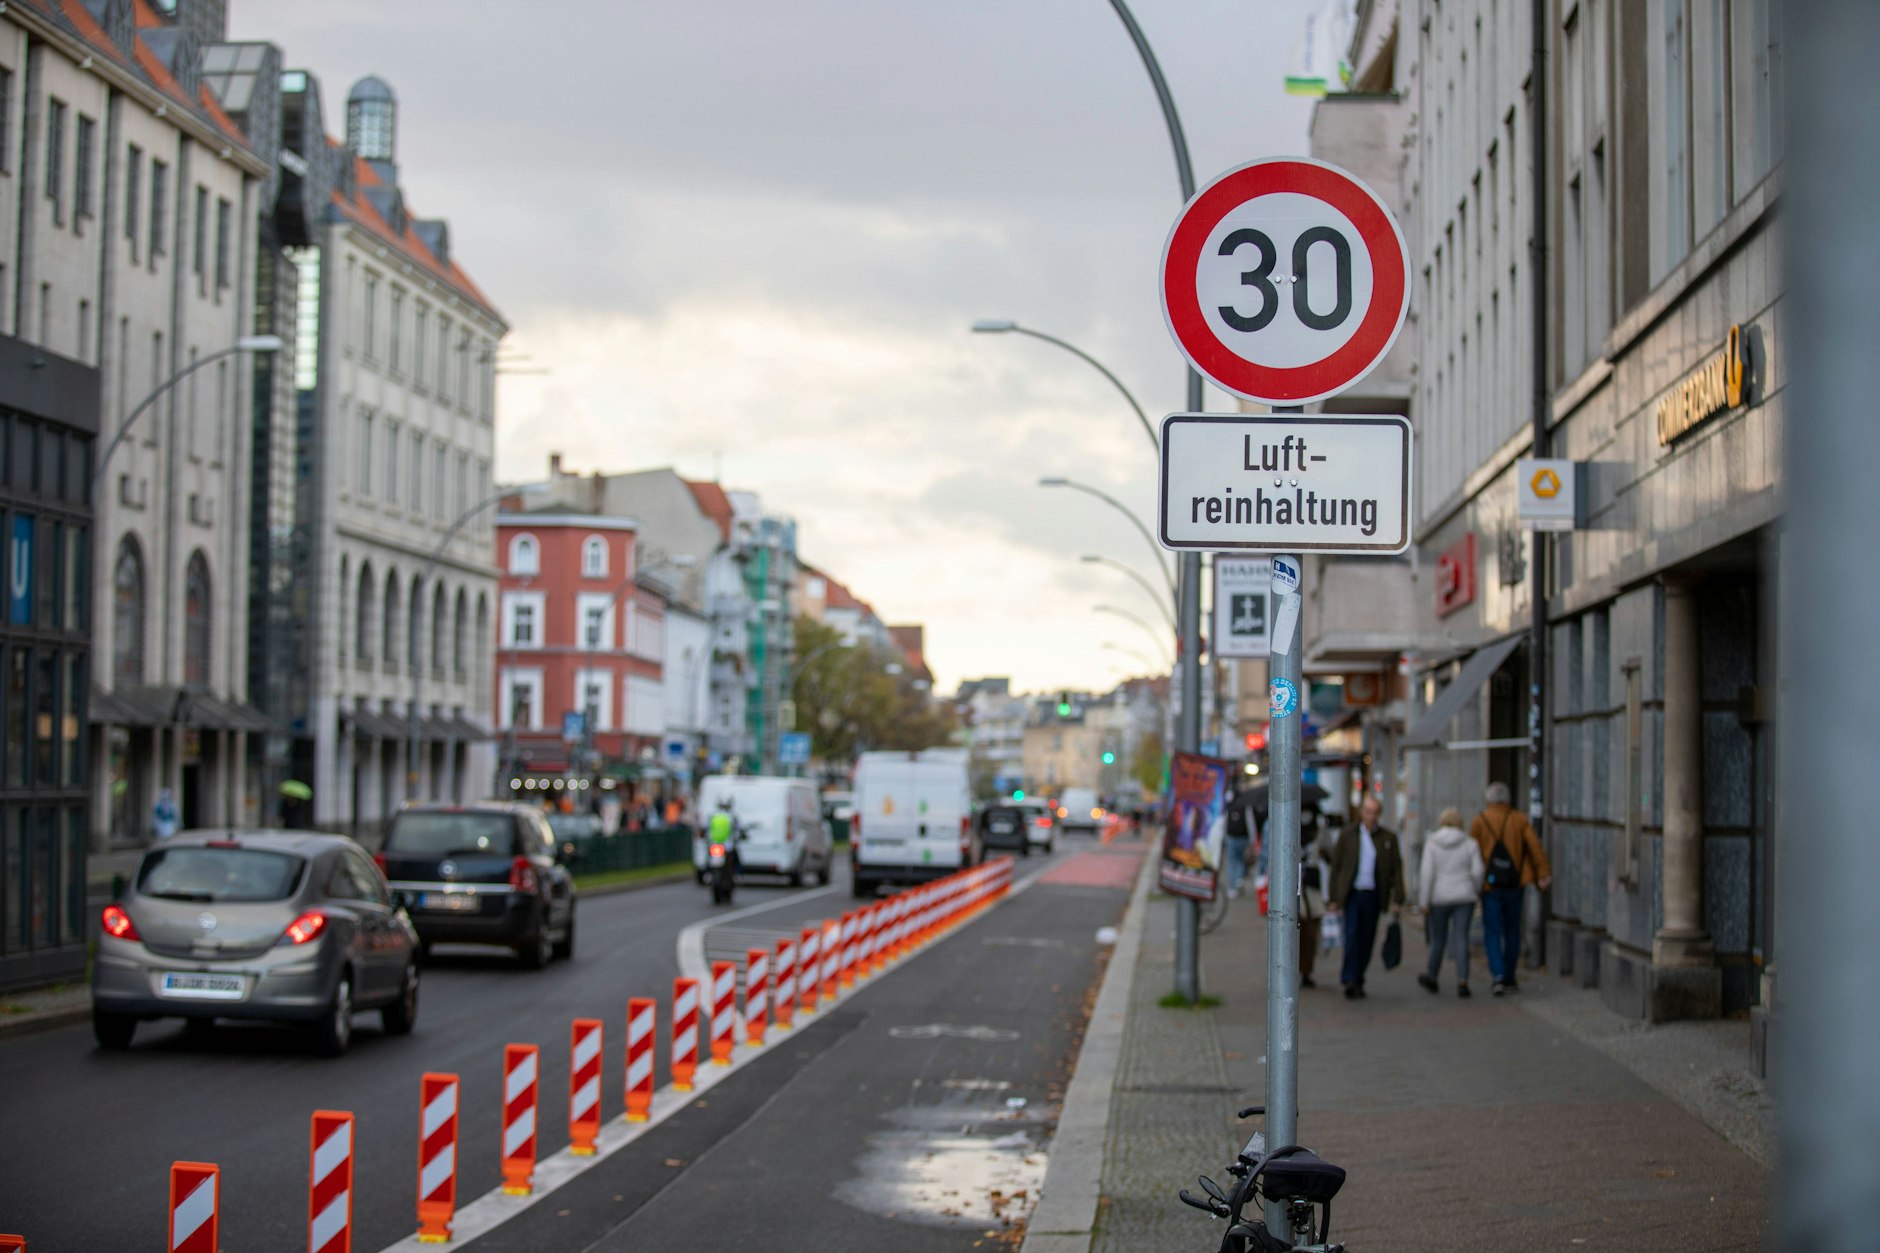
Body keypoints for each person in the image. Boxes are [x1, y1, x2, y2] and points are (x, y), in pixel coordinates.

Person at [1470, 781, 1552, 996]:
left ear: (1488, 800)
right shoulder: (1519, 819)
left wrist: (1472, 882)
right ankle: (1510, 975)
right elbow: (1535, 847)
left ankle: (1497, 975)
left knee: (1492, 931)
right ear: (1507, 800)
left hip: (1490, 885)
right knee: (1513, 930)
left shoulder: (1480, 821)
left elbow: (1472, 852)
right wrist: (1542, 874)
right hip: (1515, 883)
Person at [1326, 795, 1406, 999]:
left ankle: (1358, 976)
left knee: (1367, 937)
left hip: (1373, 894)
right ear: (1361, 812)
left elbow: (1396, 869)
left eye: (1374, 813)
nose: (1370, 817)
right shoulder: (1348, 835)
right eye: (1367, 812)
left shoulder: (1388, 838)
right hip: (1352, 893)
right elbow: (1337, 866)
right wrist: (1333, 897)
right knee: (1352, 934)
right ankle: (1349, 978)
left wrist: (1398, 898)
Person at [1417, 807, 1485, 997]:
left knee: (1438, 939)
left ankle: (1432, 975)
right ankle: (1463, 981)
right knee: (1461, 938)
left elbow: (1426, 874)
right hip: (1464, 896)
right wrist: (1475, 888)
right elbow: (1478, 871)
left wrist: (1424, 900)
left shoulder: (1433, 842)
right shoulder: (1470, 843)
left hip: (1439, 897)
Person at [1222, 784, 1256, 898]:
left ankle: (1232, 888)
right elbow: (1250, 823)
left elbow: (1224, 822)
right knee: (1241, 860)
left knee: (1232, 862)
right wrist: (1252, 839)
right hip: (1243, 838)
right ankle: (1239, 879)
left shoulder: (1230, 806)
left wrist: (1224, 837)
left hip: (1231, 837)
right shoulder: (1246, 806)